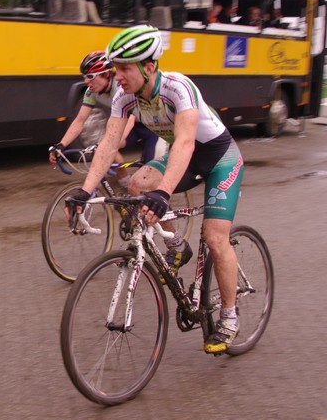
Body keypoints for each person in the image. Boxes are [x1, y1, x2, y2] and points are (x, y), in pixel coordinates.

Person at [66, 25, 245, 354]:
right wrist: (85, 191)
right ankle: (177, 245)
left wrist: (163, 193)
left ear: (149, 67)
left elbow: (186, 142)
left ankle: (229, 316)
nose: (118, 76)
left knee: (215, 237)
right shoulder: (124, 96)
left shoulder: (178, 88)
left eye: (124, 68)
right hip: (183, 156)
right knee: (137, 184)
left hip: (219, 158)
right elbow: (108, 144)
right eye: (116, 68)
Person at [49, 52, 159, 185]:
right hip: (132, 125)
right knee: (105, 147)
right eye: (85, 77)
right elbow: (80, 120)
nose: (86, 81)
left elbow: (130, 118)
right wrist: (61, 145)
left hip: (152, 127)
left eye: (90, 76)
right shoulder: (91, 92)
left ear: (106, 74)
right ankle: (125, 181)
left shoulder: (120, 88)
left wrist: (112, 143)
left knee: (148, 178)